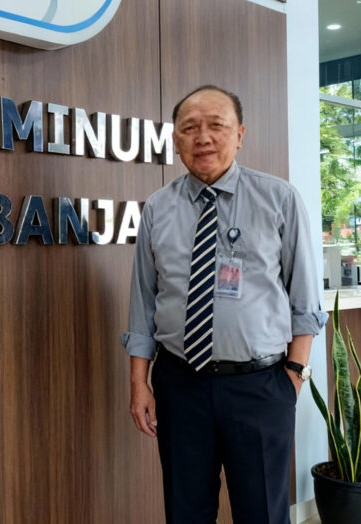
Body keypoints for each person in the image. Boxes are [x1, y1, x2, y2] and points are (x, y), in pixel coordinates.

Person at [121, 85, 327, 523]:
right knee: (186, 511)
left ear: (240, 134)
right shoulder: (158, 208)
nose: (203, 137)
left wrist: (295, 375)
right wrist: (140, 383)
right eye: (190, 128)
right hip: (180, 385)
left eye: (216, 125)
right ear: (175, 139)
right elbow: (143, 302)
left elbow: (305, 300)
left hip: (260, 386)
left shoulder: (279, 199)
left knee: (262, 512)